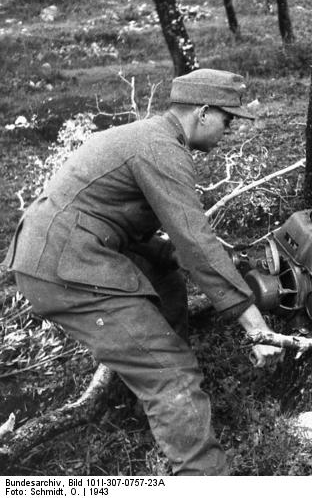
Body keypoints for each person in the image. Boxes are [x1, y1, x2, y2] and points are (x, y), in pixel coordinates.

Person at [2, 68, 284, 475]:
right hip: (64, 268)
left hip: (61, 251)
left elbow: (111, 218)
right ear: (203, 113)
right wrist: (256, 327)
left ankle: (149, 407)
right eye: (228, 118)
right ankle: (202, 474)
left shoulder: (148, 136)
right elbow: (196, 244)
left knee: (164, 277)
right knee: (171, 372)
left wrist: (187, 259)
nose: (230, 130)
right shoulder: (162, 149)